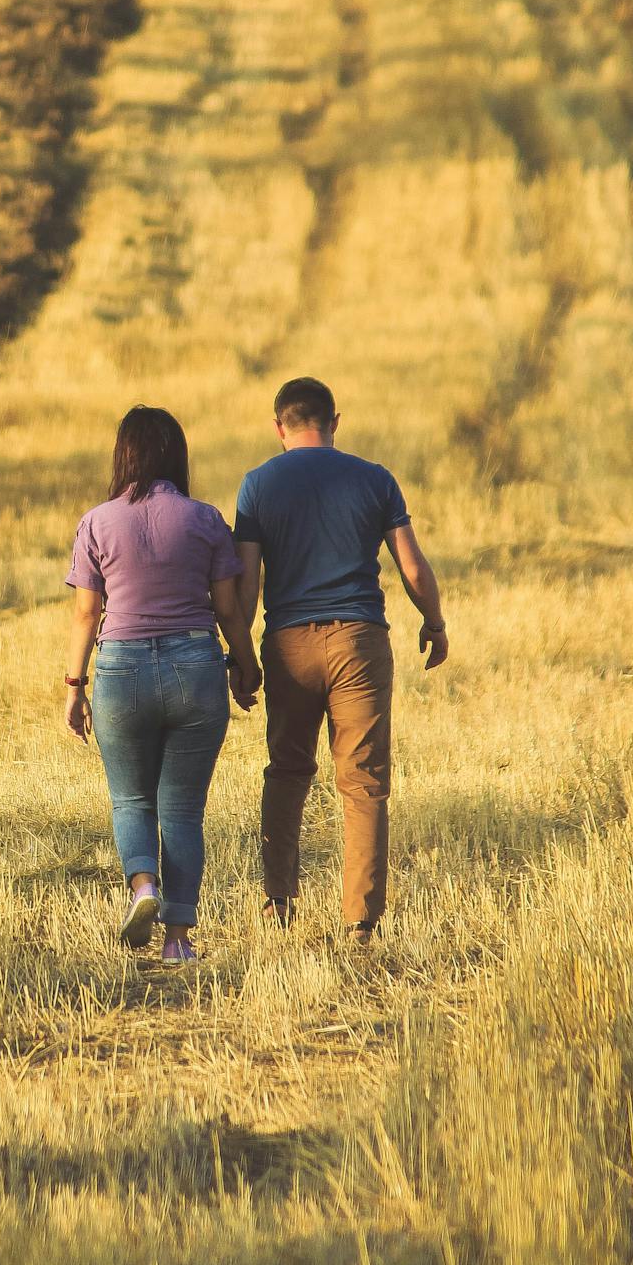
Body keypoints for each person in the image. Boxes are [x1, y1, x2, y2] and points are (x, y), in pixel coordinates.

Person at [233, 376, 448, 944]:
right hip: (358, 641)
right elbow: (413, 567)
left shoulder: (257, 486)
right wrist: (434, 620)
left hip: (288, 644)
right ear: (335, 421)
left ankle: (279, 901)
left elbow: (246, 583)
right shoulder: (375, 480)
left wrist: (239, 654)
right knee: (364, 782)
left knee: (286, 771)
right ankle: (360, 920)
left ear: (279, 426)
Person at [65, 406, 262, 963]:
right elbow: (227, 608)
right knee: (182, 809)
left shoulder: (97, 522)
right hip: (195, 669)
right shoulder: (204, 519)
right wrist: (246, 664)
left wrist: (75, 685)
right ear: (176, 455)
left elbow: (86, 613)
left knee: (131, 798)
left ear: (123, 454)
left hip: (121, 670)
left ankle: (143, 887)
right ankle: (178, 940)